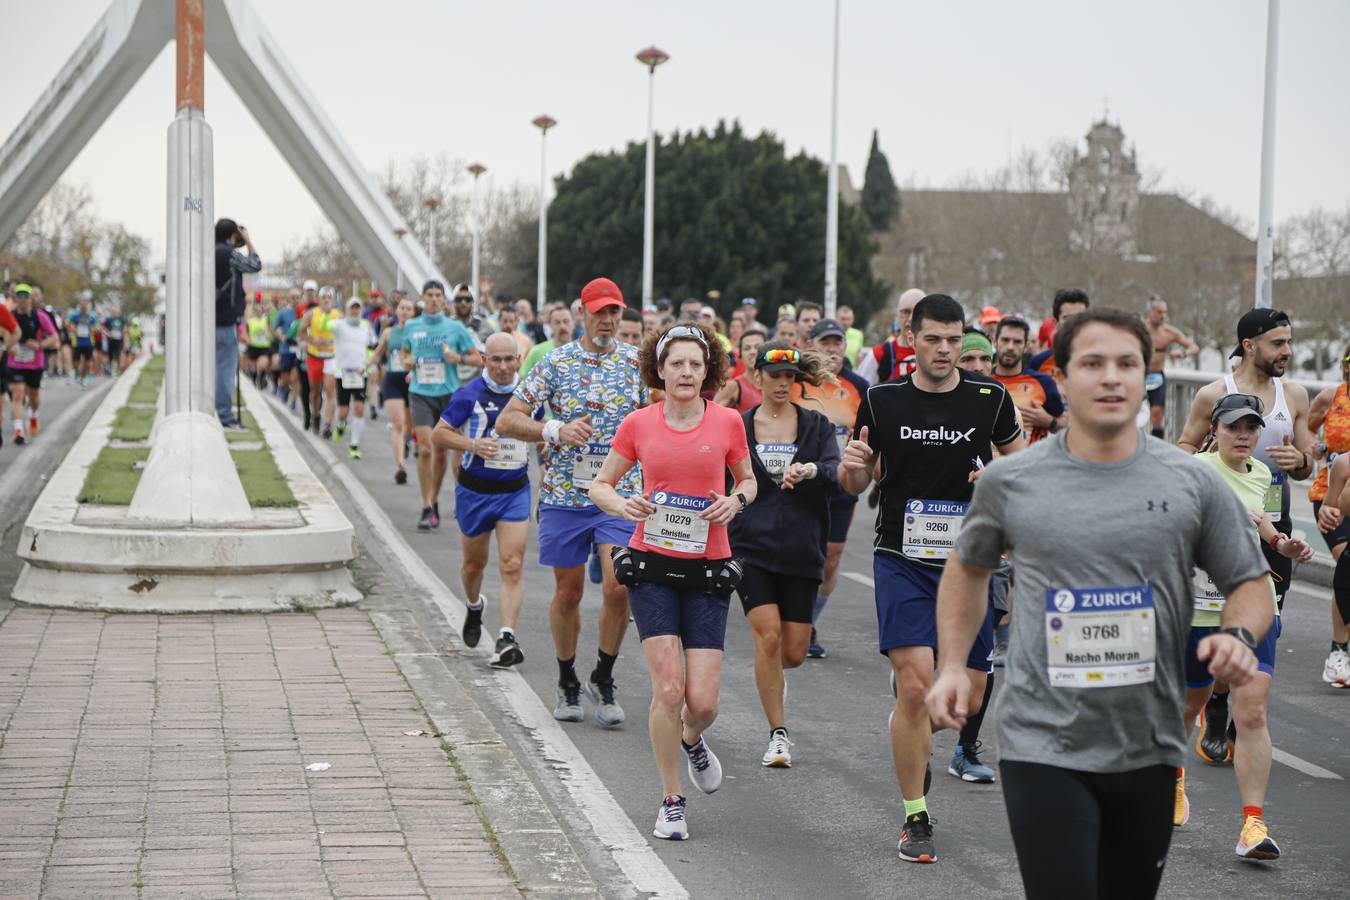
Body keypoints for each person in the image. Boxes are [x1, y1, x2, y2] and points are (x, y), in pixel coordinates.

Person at [927, 308, 1273, 898]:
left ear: (1145, 378)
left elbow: (1249, 582)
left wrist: (1238, 639)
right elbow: (967, 567)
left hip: (1148, 740)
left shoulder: (1190, 482)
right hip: (1042, 738)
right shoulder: (1013, 481)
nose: (1111, 378)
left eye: (1127, 364)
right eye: (1092, 364)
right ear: (1061, 378)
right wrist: (954, 663)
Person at [839, 293, 1024, 863]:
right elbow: (856, 483)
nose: (944, 350)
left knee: (963, 700)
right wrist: (850, 471)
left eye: (953, 339)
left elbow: (1020, 475)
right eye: (932, 339)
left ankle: (914, 728)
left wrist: (994, 478)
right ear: (910, 339)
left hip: (970, 565)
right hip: (901, 556)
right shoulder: (881, 399)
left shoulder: (991, 399)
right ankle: (915, 814)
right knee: (917, 687)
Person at [587, 320, 754, 840]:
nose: (685, 372)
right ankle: (671, 799)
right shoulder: (638, 423)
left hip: (707, 566)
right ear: (659, 370)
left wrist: (736, 500)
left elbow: (748, 480)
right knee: (669, 686)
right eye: (676, 363)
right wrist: (623, 503)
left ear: (709, 372)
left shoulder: (727, 422)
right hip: (652, 563)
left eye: (695, 364)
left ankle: (693, 738)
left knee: (702, 702)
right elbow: (600, 484)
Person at [497, 276, 647, 727]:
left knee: (619, 586)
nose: (607, 321)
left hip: (620, 494)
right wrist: (553, 430)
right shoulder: (556, 362)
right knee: (569, 591)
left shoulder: (638, 364)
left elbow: (663, 417)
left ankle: (603, 675)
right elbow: (508, 420)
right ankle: (566, 678)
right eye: (599, 312)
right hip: (566, 494)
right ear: (582, 313)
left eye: (614, 312)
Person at [1175, 392, 1311, 859]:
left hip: (1253, 606)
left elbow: (1268, 526)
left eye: (1252, 428)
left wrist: (1285, 545)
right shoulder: (1193, 471)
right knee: (1189, 707)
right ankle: (1174, 780)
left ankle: (1253, 825)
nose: (1244, 435)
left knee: (1251, 712)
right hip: (1199, 607)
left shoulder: (1267, 474)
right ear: (1215, 429)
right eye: (1234, 427)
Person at [1177, 307, 1314, 763]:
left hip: (1273, 520)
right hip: (1221, 525)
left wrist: (1302, 463)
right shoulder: (1215, 394)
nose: (1287, 352)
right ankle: (1216, 701)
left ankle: (1243, 715)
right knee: (1218, 616)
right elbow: (1183, 450)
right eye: (1278, 343)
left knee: (1266, 620)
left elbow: (1309, 456)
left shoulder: (1293, 394)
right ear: (1250, 345)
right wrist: (1209, 454)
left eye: (1290, 342)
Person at [729, 341, 838, 767]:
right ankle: (778, 734)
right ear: (757, 377)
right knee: (768, 636)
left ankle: (773, 678)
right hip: (750, 547)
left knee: (792, 651)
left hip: (801, 547)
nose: (782, 384)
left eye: (789, 377)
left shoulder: (815, 426)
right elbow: (719, 477)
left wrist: (810, 470)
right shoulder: (738, 426)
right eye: (774, 377)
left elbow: (836, 473)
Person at [433, 333, 542, 668]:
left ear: (519, 360)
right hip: (475, 491)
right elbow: (439, 434)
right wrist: (473, 446)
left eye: (510, 359)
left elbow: (541, 435)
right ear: (483, 360)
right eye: (496, 360)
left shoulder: (530, 396)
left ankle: (506, 636)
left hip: (514, 491)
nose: (503, 367)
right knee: (473, 566)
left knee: (512, 563)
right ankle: (474, 604)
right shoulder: (469, 394)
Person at [792, 318, 869, 658]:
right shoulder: (796, 382)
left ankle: (808, 625)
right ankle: (792, 622)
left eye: (838, 343)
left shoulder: (859, 386)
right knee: (800, 554)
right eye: (826, 343)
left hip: (841, 481)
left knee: (831, 559)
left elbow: (871, 434)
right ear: (813, 345)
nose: (833, 349)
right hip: (803, 481)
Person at [404, 280, 481, 530]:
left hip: (448, 394)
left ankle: (436, 499)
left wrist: (457, 358)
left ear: (444, 300)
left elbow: (478, 358)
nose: (434, 299)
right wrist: (407, 362)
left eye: (439, 295)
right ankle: (427, 506)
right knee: (426, 448)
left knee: (442, 452)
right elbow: (404, 353)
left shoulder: (456, 328)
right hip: (420, 393)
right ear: (423, 298)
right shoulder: (411, 326)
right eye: (430, 295)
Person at [1309, 341, 1350, 686]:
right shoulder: (1330, 397)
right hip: (1330, 495)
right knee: (1346, 562)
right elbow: (1307, 428)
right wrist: (1316, 449)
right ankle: (1338, 651)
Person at [214, 218, 261, 428]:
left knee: (211, 368)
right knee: (225, 370)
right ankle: (225, 416)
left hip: (206, 320)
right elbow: (255, 265)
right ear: (233, 235)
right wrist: (248, 240)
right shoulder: (229, 253)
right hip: (225, 321)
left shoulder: (208, 251)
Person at [991, 315, 1066, 443]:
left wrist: (1050, 422)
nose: (1010, 347)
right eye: (1005, 340)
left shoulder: (1044, 382)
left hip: (1034, 461)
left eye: (1017, 342)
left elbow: (1066, 423)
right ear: (995, 341)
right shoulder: (983, 382)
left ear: (1026, 345)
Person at [367, 295, 416, 484]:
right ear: (397, 311)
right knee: (397, 424)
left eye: (408, 309)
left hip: (413, 382)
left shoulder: (418, 332)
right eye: (402, 308)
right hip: (393, 380)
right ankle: (400, 466)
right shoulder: (388, 332)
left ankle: (408, 441)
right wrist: (366, 365)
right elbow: (378, 352)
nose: (404, 312)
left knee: (409, 427)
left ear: (413, 313)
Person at [5, 285, 58, 445]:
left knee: (34, 396)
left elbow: (54, 337)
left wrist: (40, 345)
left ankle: (33, 415)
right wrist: (10, 345)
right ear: (15, 299)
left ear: (30, 299)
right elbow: (4, 334)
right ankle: (19, 431)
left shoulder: (40, 317)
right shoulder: (10, 316)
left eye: (25, 296)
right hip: (15, 362)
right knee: (18, 393)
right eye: (19, 296)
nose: (22, 300)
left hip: (35, 363)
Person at [1143, 294, 1199, 439]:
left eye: (1164, 312)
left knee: (1157, 412)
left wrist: (1182, 353)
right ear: (1149, 312)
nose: (1162, 316)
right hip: (1139, 376)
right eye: (1159, 312)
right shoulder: (1139, 329)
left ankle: (1157, 445)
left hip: (1156, 376)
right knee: (1134, 413)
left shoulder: (1169, 332)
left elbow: (1193, 347)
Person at [330, 298, 375, 459]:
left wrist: (370, 366)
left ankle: (354, 445)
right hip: (343, 373)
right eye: (352, 308)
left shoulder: (366, 327)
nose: (355, 311)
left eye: (358, 308)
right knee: (343, 411)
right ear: (347, 310)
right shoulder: (339, 325)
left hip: (360, 373)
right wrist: (328, 312)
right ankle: (341, 424)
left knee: (359, 408)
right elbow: (325, 327)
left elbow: (371, 347)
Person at [856, 288, 923, 385]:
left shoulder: (936, 355)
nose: (910, 318)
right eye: (906, 312)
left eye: (917, 312)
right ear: (897, 315)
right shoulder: (879, 354)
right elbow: (859, 392)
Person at [297, 287, 340, 437]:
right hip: (314, 357)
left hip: (331, 358)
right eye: (324, 297)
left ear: (333, 300)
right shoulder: (311, 314)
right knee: (315, 392)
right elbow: (301, 332)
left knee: (330, 391)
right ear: (319, 299)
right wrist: (312, 340)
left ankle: (327, 425)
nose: (327, 300)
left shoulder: (338, 315)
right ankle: (316, 415)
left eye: (329, 297)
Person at [1028, 288, 1090, 380]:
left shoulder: (1101, 359)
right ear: (1056, 322)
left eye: (1079, 317)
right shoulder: (1038, 363)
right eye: (1067, 318)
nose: (1073, 323)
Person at [713, 327, 768, 411]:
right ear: (740, 355)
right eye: (747, 348)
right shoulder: (733, 386)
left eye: (757, 347)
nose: (752, 352)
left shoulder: (774, 384)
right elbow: (712, 415)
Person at [521, 304, 574, 375]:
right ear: (550, 325)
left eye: (566, 321)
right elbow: (522, 379)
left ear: (573, 323)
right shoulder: (537, 352)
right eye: (557, 322)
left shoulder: (582, 352)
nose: (562, 326)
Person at [68, 294, 99, 388]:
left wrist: (92, 329)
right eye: (82, 302)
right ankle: (77, 373)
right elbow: (68, 323)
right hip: (77, 342)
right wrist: (73, 328)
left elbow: (96, 327)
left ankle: (84, 378)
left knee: (87, 362)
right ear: (80, 303)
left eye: (86, 302)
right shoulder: (74, 314)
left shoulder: (92, 315)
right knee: (76, 363)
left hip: (88, 342)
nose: (84, 304)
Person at [244, 301, 273, 387]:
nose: (259, 312)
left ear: (263, 311)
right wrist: (247, 339)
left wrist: (269, 335)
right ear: (254, 311)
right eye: (257, 310)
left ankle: (262, 378)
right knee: (254, 368)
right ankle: (254, 381)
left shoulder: (266, 319)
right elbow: (245, 332)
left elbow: (272, 330)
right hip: (253, 346)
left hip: (264, 346)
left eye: (261, 310)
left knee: (262, 365)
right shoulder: (250, 321)